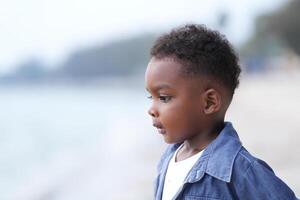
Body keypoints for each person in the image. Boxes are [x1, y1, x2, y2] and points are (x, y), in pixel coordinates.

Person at [145, 24, 298, 200]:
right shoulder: (169, 158)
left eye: (164, 97)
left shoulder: (241, 171)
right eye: (151, 97)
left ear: (209, 102)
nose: (151, 110)